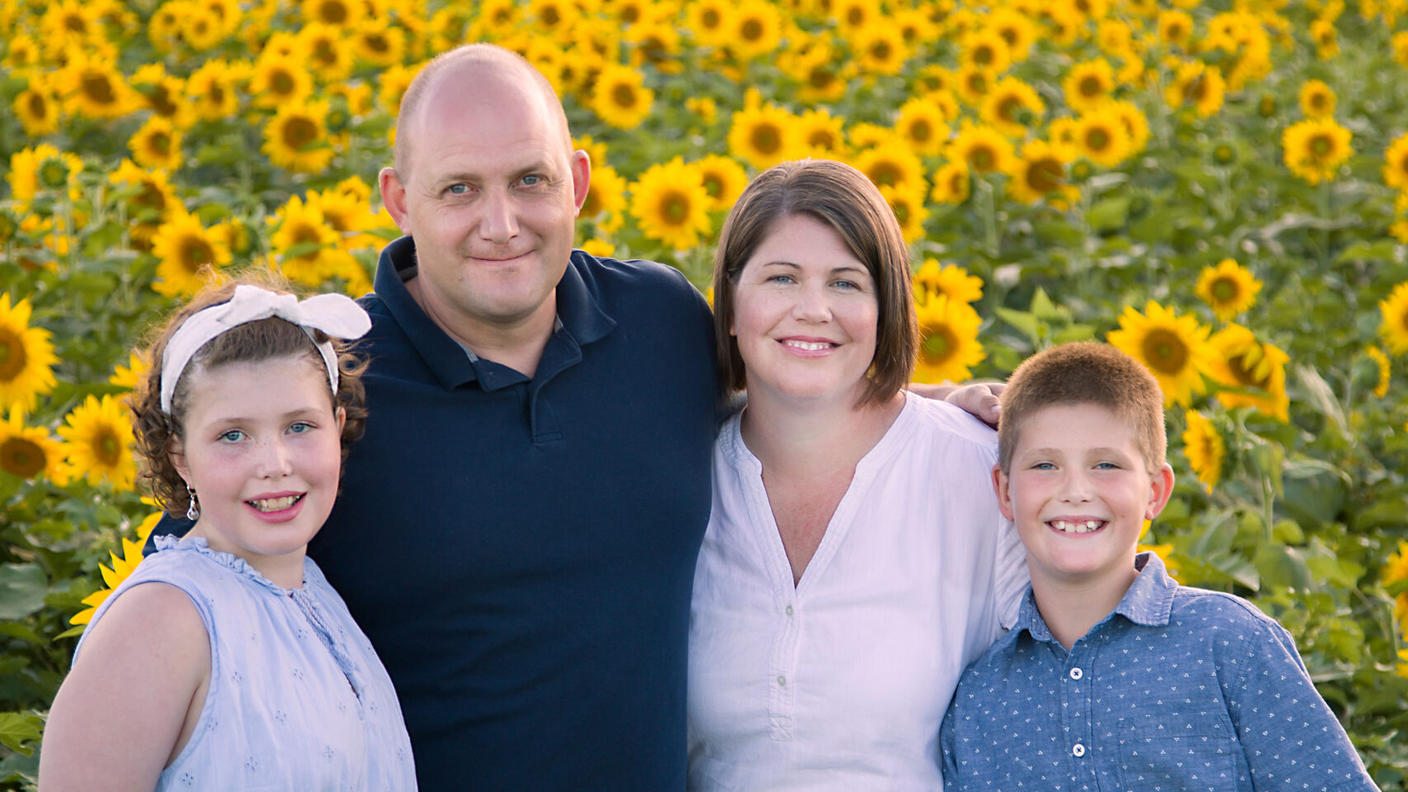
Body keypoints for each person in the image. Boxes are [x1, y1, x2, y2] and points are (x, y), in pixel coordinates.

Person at [145, 44, 995, 790]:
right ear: (398, 200)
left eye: (530, 180)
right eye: (459, 190)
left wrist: (944, 401)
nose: (501, 223)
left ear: (578, 183)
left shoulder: (660, 323)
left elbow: (787, 390)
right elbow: (197, 591)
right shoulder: (336, 388)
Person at [686, 159, 1029, 790]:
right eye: (781, 277)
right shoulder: (679, 478)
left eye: (846, 283)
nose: (813, 309)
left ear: (886, 309)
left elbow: (1086, 677)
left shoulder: (981, 476)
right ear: (730, 306)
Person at [940, 341, 1379, 791]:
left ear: (1155, 491)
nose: (1074, 490)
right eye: (1045, 464)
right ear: (1005, 491)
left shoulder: (1231, 644)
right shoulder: (981, 699)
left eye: (1106, 464)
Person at [40, 281, 416, 789]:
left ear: (338, 427)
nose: (275, 465)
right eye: (232, 435)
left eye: (300, 427)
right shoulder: (161, 620)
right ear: (181, 458)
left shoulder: (318, 596)